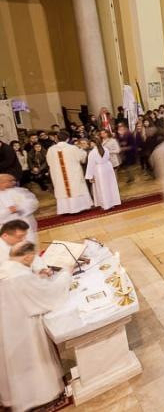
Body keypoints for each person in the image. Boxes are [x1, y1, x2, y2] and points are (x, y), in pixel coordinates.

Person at [0, 242, 72, 411]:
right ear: (26, 256)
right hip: (24, 325)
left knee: (12, 362)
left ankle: (14, 396)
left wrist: (37, 275)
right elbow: (48, 295)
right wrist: (66, 275)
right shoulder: (20, 275)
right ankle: (40, 395)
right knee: (33, 357)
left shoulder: (7, 268)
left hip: (8, 323)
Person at [45, 132, 93, 214]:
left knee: (62, 190)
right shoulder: (72, 148)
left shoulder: (51, 150)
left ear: (57, 138)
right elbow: (82, 158)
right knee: (76, 188)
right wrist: (82, 150)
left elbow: (49, 162)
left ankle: (65, 209)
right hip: (72, 174)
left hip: (59, 175)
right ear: (67, 139)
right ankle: (79, 207)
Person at [84, 137, 121, 210]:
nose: (90, 144)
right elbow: (108, 158)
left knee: (102, 188)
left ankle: (105, 205)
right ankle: (112, 202)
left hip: (99, 170)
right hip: (108, 168)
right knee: (110, 186)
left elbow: (90, 165)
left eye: (90, 143)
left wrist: (90, 176)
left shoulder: (92, 152)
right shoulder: (105, 149)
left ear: (93, 143)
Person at [0, 174, 38, 243]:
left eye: (13, 181)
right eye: (9, 181)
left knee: (30, 244)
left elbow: (33, 203)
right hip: (6, 228)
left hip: (24, 223)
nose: (14, 183)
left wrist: (19, 207)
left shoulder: (19, 191)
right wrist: (8, 211)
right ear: (1, 182)